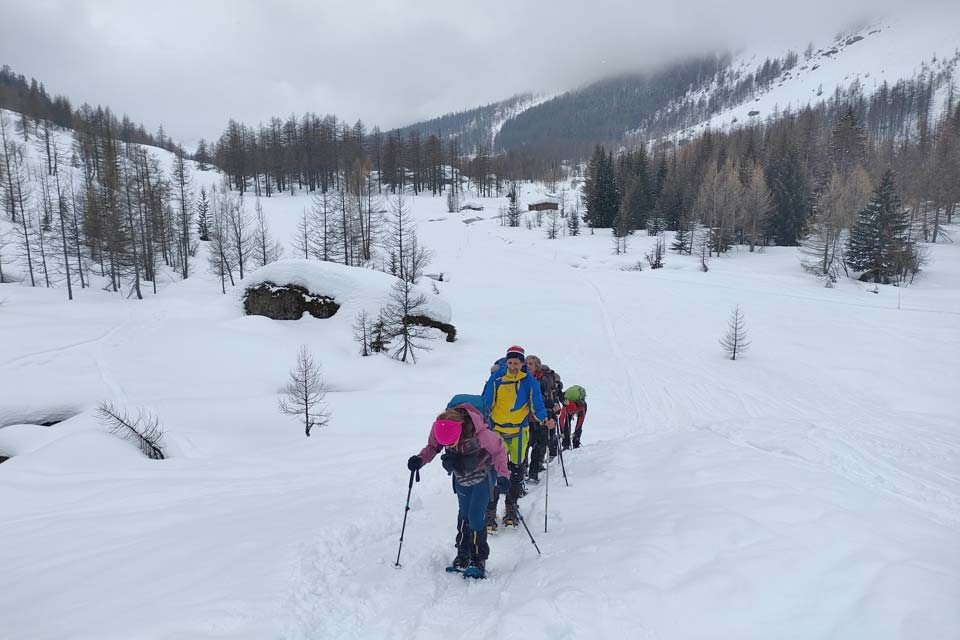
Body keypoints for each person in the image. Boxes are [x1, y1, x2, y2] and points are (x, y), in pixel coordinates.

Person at [407, 398, 510, 579]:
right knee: (463, 514)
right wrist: (420, 459)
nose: (449, 447)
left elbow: (499, 450)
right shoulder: (439, 428)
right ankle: (462, 553)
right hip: (461, 476)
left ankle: (478, 559)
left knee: (475, 517)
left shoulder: (481, 433)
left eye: (451, 444)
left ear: (461, 429)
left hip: (483, 475)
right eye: (446, 445)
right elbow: (433, 447)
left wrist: (503, 475)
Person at [481, 345, 547, 529]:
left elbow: (537, 405)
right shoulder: (497, 379)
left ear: (522, 362)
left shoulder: (529, 381)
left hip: (519, 431)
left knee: (517, 470)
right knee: (494, 470)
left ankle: (511, 508)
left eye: (516, 362)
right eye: (510, 362)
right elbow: (486, 402)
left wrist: (545, 419)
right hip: (497, 431)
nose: (513, 366)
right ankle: (490, 511)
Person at [524, 355, 561, 484]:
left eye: (530, 364)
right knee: (525, 446)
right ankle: (523, 471)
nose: (528, 366)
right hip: (525, 419)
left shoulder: (543, 380)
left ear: (537, 366)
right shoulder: (521, 379)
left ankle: (533, 472)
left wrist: (552, 407)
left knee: (538, 446)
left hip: (541, 418)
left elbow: (548, 397)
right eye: (526, 363)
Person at [561, 385, 588, 449]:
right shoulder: (565, 406)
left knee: (572, 425)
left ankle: (573, 442)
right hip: (570, 405)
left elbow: (579, 423)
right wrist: (563, 433)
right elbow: (561, 419)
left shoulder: (581, 407)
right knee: (566, 424)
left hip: (578, 405)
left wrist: (575, 432)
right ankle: (568, 443)